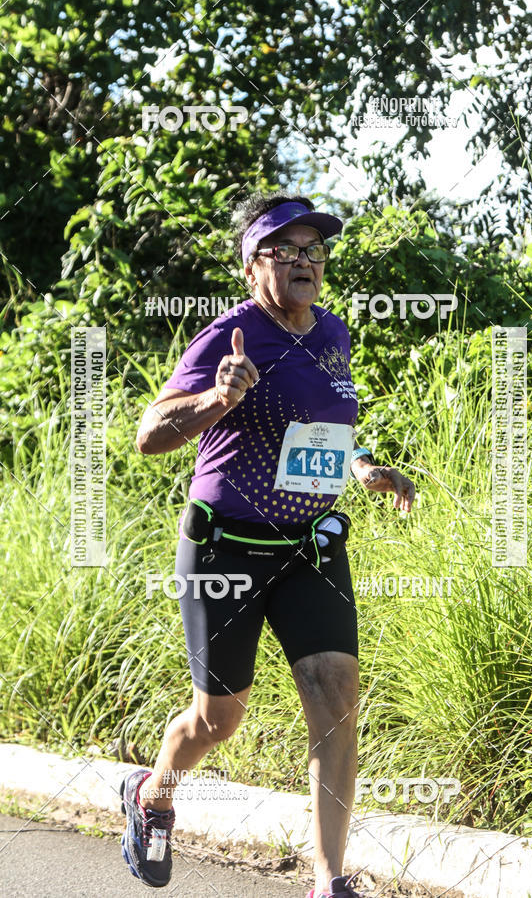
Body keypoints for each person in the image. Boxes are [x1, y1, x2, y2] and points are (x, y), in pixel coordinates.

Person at [120, 193, 415, 898]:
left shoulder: (333, 334)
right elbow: (150, 432)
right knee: (217, 719)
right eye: (289, 251)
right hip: (225, 548)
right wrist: (217, 400)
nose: (308, 261)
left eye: (316, 250)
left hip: (309, 546)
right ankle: (154, 791)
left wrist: (363, 465)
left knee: (336, 690)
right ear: (255, 267)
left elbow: (322, 430)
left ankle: (327, 880)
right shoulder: (229, 335)